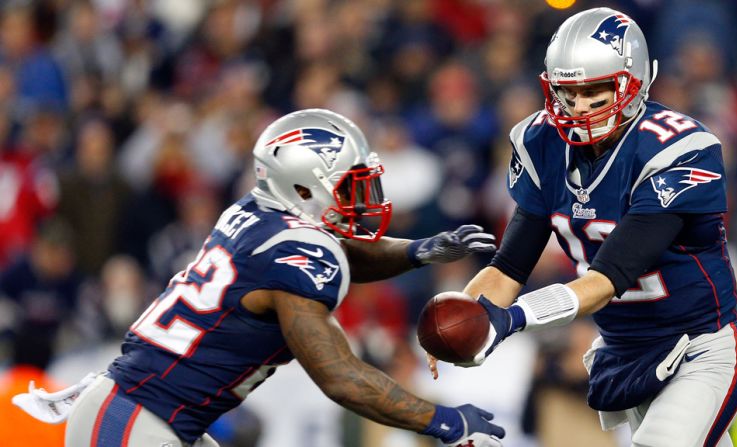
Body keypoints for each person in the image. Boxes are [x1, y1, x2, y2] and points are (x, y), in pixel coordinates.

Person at [14, 109, 504, 447]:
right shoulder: (294, 254)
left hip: (141, 413)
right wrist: (442, 419)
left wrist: (418, 251)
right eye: (349, 186)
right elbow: (340, 377)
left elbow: (335, 253)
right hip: (138, 418)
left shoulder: (259, 213)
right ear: (302, 187)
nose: (364, 199)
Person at [428, 8, 737, 447]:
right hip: (625, 351)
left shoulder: (678, 149)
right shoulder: (541, 142)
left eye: (595, 91)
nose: (578, 107)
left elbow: (608, 277)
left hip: (699, 347)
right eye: (568, 92)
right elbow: (508, 267)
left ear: (632, 82)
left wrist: (514, 319)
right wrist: (460, 314)